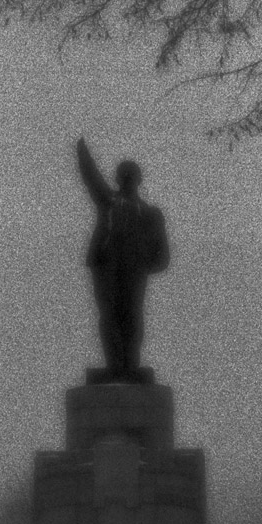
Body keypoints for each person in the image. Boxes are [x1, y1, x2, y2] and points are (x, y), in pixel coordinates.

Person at [77, 137, 170, 379]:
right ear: (117, 179)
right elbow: (91, 177)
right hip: (106, 267)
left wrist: (146, 266)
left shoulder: (151, 214)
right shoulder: (108, 201)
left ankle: (131, 366)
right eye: (124, 176)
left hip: (134, 270)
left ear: (139, 180)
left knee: (132, 315)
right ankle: (114, 366)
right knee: (109, 315)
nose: (127, 180)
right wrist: (82, 153)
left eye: (131, 176)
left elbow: (163, 253)